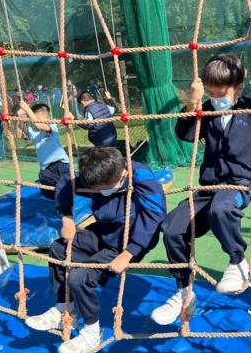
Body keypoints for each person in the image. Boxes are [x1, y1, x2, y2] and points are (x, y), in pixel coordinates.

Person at [151, 40, 251, 325]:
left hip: (240, 182)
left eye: (221, 93)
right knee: (172, 228)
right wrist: (192, 103)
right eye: (211, 93)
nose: (215, 98)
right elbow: (185, 133)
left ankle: (237, 262)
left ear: (237, 88)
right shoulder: (207, 111)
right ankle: (184, 293)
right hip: (209, 187)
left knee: (222, 208)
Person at [25, 147, 166, 353]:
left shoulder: (141, 177)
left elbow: (154, 215)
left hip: (128, 241)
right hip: (104, 231)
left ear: (122, 174)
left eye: (105, 188)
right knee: (58, 249)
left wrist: (129, 253)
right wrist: (67, 218)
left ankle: (92, 333)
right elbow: (65, 182)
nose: (101, 191)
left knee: (79, 278)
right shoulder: (96, 176)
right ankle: (65, 308)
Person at [16, 101, 70, 199]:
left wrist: (27, 109)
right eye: (35, 118)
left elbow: (39, 125)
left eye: (38, 118)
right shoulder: (32, 130)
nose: (35, 120)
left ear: (47, 117)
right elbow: (19, 135)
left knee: (66, 189)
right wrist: (20, 118)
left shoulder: (52, 125)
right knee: (49, 194)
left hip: (61, 164)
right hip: (45, 168)